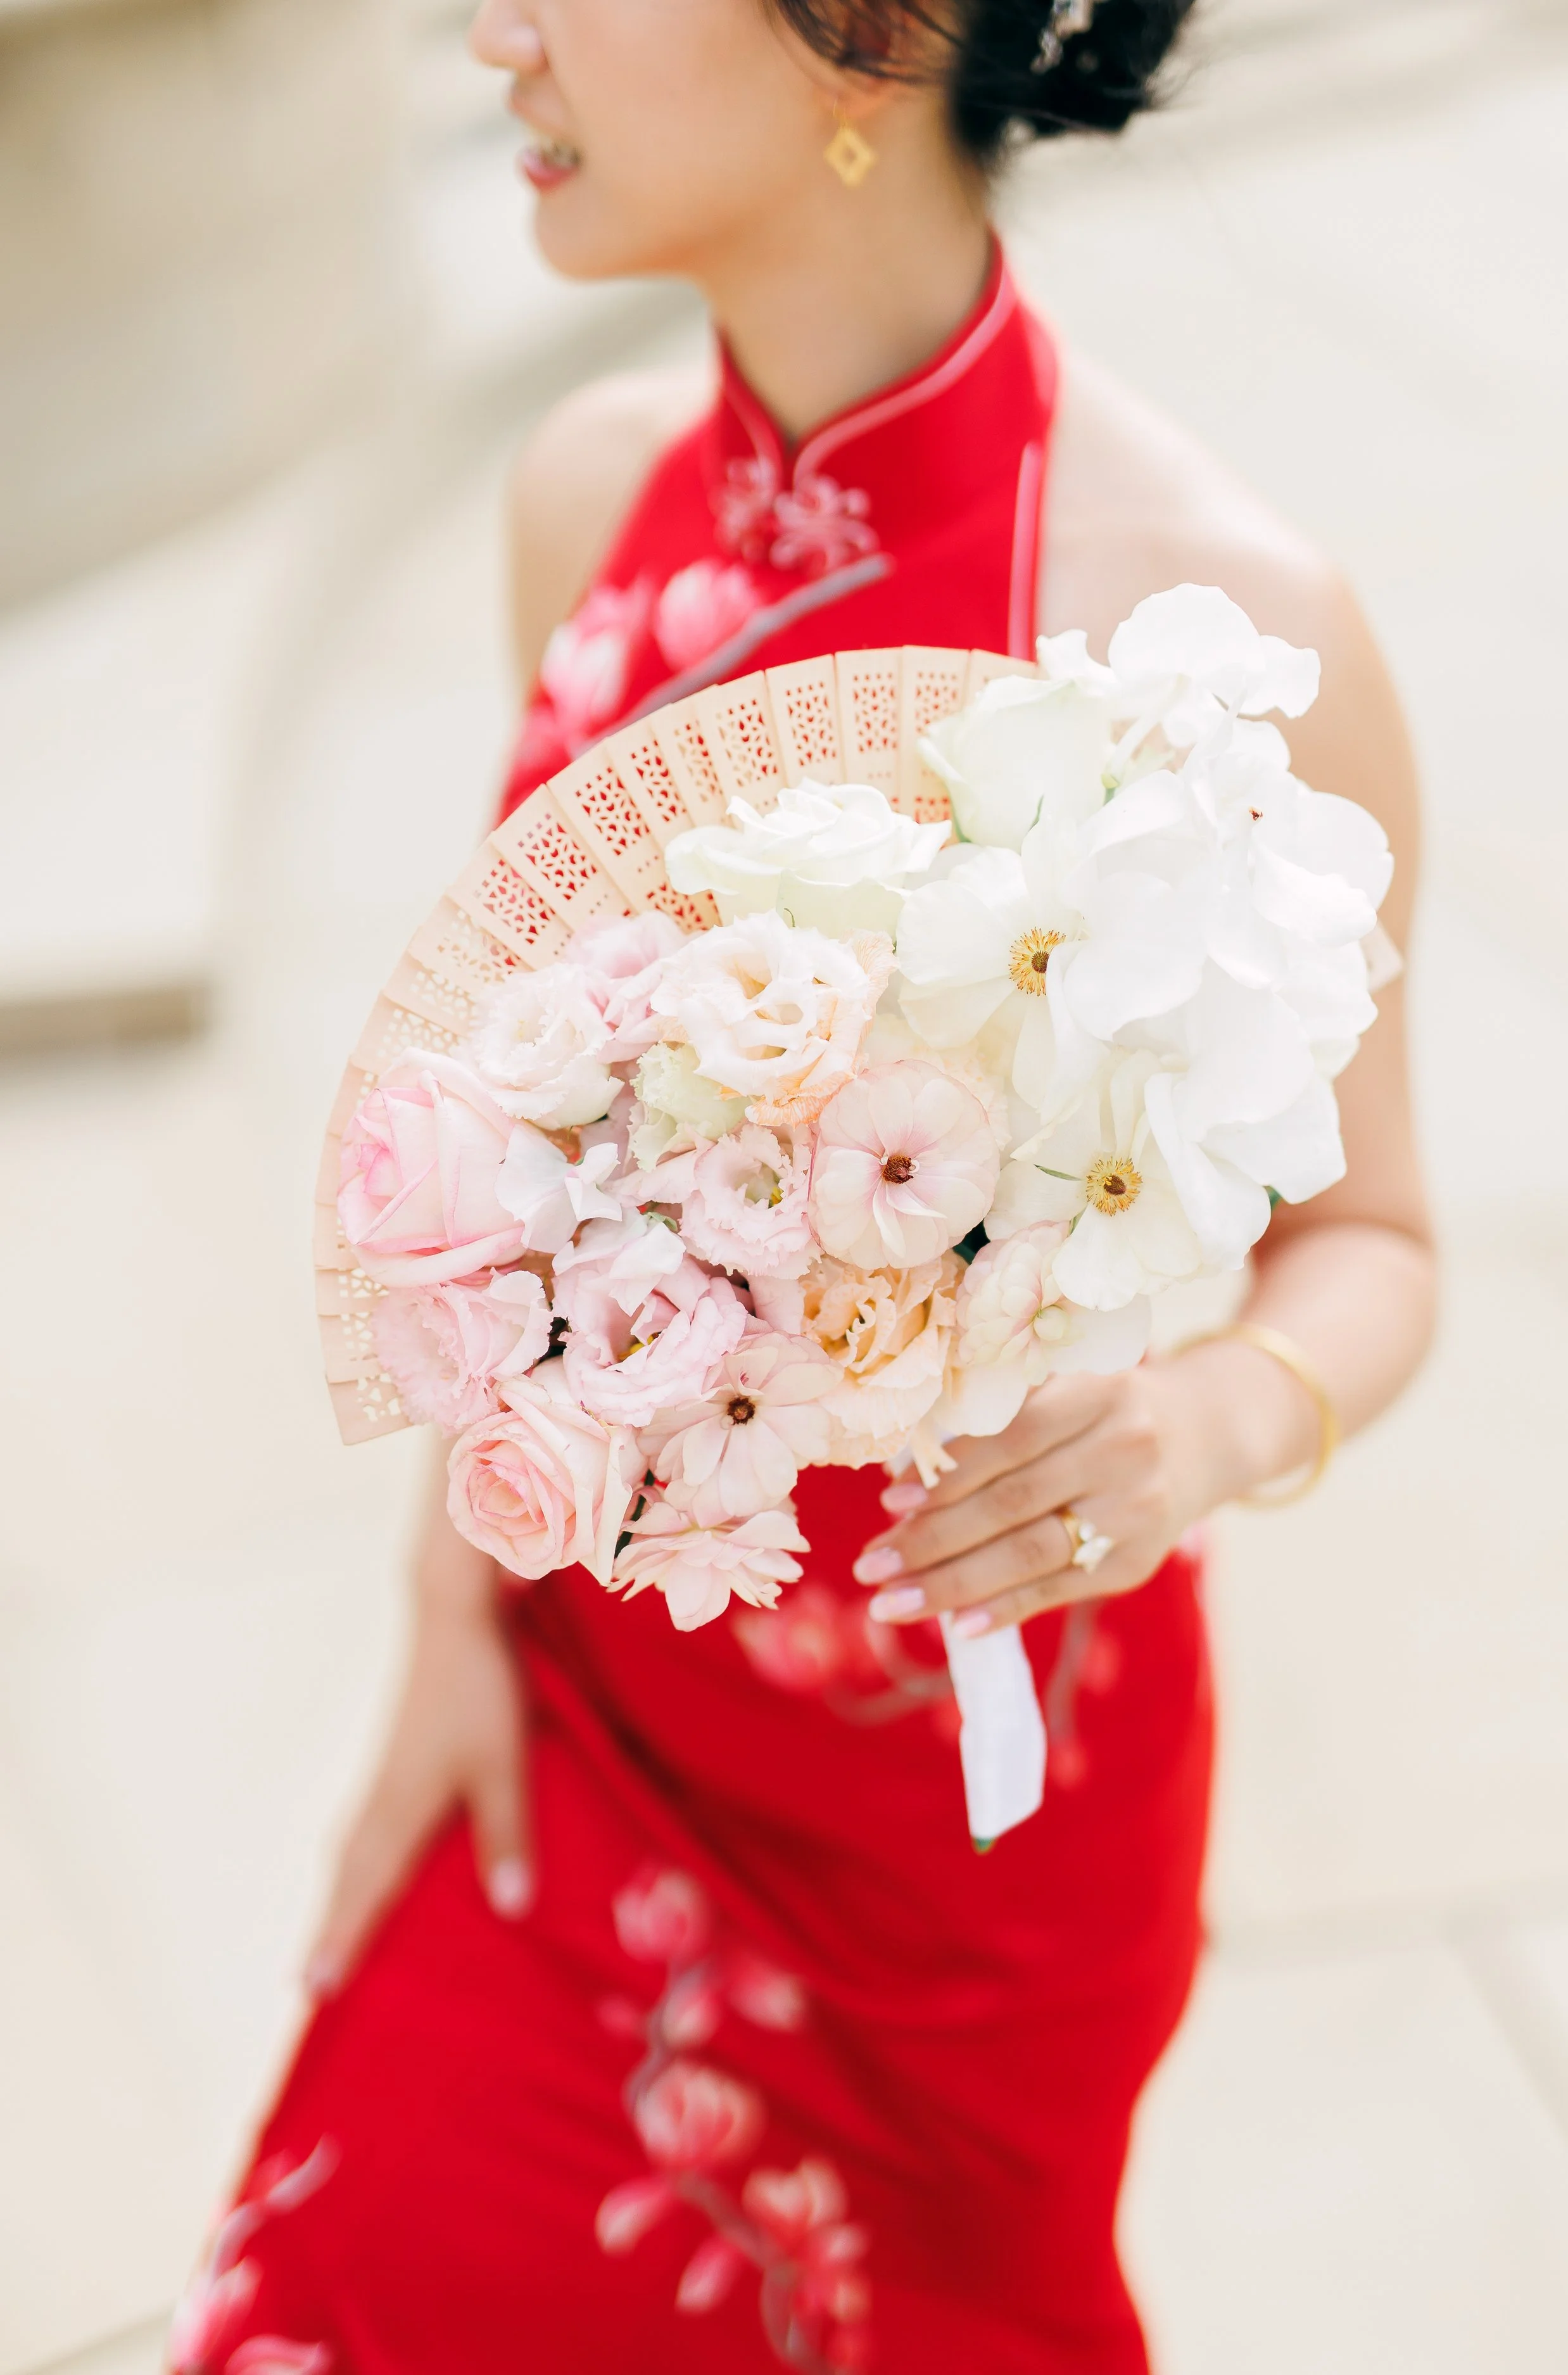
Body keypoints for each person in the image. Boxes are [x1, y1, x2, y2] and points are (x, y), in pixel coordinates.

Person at [177, 0, 1435, 2366]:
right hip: (584, 1717)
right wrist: (451, 1622)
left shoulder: (1216, 639)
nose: (493, 34)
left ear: (875, 31)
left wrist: (1204, 1422)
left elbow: (1373, 1239)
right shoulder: (586, 497)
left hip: (967, 1804)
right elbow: (513, 1181)